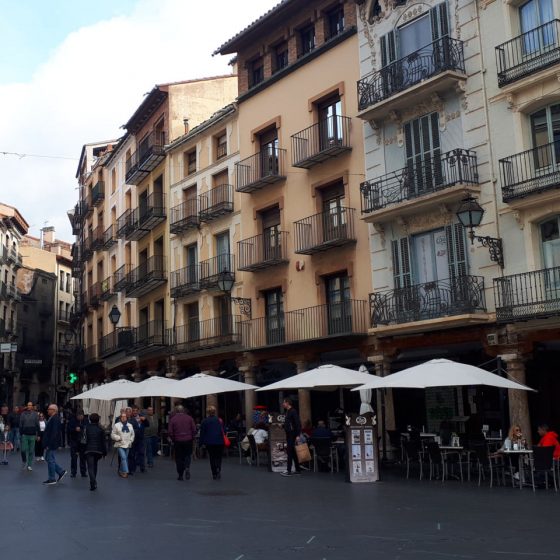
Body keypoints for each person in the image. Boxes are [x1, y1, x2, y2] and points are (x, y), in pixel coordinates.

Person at [168, 405, 196, 481]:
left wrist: (173, 439)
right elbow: (194, 429)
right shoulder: (189, 418)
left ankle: (180, 474)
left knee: (179, 457)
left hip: (178, 440)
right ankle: (187, 467)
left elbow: (170, 432)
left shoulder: (173, 419)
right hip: (188, 440)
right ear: (183, 410)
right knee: (187, 455)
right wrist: (192, 437)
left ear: (176, 411)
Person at [42, 404, 67, 485]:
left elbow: (54, 432)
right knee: (48, 458)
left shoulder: (55, 419)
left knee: (50, 459)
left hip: (52, 443)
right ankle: (61, 471)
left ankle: (52, 478)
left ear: (54, 410)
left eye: (49, 409)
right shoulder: (52, 418)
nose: (47, 410)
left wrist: (49, 443)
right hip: (51, 442)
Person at [199, 405, 224, 480]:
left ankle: (214, 473)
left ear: (207, 412)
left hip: (209, 442)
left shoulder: (204, 421)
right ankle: (218, 468)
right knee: (219, 457)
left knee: (212, 457)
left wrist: (201, 443)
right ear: (215, 412)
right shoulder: (219, 420)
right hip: (219, 441)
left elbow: (202, 433)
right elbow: (223, 430)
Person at [84, 413, 107, 491]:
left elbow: (83, 439)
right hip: (98, 450)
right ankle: (94, 481)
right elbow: (103, 442)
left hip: (88, 449)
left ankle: (92, 482)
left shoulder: (86, 427)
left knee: (90, 467)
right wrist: (105, 452)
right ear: (98, 420)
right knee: (95, 465)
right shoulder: (101, 429)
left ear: (90, 419)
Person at [281, 397, 302, 477]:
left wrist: (297, 435)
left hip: (292, 434)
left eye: (284, 402)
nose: (283, 404)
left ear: (287, 403)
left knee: (290, 452)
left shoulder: (293, 411)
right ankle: (298, 470)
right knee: (292, 452)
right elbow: (289, 423)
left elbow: (297, 423)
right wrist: (282, 426)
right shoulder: (288, 411)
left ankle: (288, 470)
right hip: (289, 433)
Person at [111, 412, 134, 478]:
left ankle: (121, 470)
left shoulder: (130, 425)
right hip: (120, 444)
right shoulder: (116, 425)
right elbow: (112, 434)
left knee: (125, 458)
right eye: (122, 417)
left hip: (128, 444)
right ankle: (126, 472)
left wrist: (131, 441)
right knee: (123, 457)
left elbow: (132, 434)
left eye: (125, 417)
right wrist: (118, 438)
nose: (123, 418)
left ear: (127, 418)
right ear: (120, 418)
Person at [19, 401, 40, 471]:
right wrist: (21, 433)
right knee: (23, 450)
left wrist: (38, 435)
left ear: (32, 406)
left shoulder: (35, 414)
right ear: (27, 406)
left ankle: (29, 465)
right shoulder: (23, 414)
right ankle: (24, 460)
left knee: (31, 451)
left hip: (32, 435)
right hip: (24, 434)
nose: (29, 406)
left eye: (30, 405)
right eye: (28, 405)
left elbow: (37, 425)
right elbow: (20, 424)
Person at [67, 410, 88, 478]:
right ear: (77, 416)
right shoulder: (72, 420)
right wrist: (74, 429)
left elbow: (87, 428)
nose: (80, 418)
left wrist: (81, 427)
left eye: (81, 416)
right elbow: (68, 430)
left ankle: (83, 472)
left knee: (83, 458)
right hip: (74, 441)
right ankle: (73, 472)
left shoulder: (86, 420)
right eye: (79, 416)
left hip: (83, 442)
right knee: (73, 458)